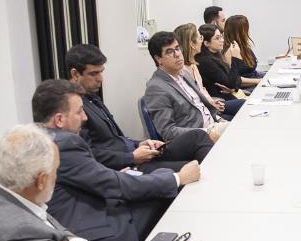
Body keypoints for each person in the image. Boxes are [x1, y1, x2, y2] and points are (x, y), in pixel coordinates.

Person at [35, 79, 199, 241]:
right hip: (99, 229)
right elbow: (113, 185)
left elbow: (91, 176)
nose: (85, 117)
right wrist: (178, 178)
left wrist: (113, 174)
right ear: (59, 119)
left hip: (86, 210)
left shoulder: (43, 138)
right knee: (168, 181)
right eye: (79, 112)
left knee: (162, 176)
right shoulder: (64, 143)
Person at [66, 44, 212, 172]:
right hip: (125, 166)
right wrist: (132, 157)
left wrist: (139, 143)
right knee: (194, 167)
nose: (100, 79)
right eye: (93, 74)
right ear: (75, 74)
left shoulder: (92, 98)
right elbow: (88, 154)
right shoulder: (74, 109)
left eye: (101, 72)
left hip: (134, 152)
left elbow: (116, 139)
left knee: (198, 136)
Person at [144, 30, 229, 144]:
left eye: (177, 48)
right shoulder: (156, 88)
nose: (177, 54)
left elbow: (201, 106)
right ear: (158, 59)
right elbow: (168, 132)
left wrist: (219, 120)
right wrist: (206, 133)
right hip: (197, 140)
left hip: (213, 126)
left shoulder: (184, 73)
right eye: (169, 51)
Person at [174, 23, 239, 120]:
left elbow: (202, 89)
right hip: (203, 110)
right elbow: (194, 98)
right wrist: (211, 104)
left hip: (210, 104)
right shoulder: (187, 68)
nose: (201, 40)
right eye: (200, 37)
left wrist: (212, 102)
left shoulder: (193, 64)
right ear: (192, 44)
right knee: (240, 110)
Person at [223, 14, 262, 86]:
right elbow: (235, 80)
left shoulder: (245, 47)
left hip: (256, 80)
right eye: (246, 29)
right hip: (247, 87)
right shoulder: (229, 52)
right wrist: (258, 81)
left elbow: (253, 72)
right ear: (240, 32)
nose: (248, 32)